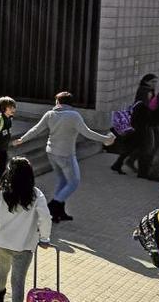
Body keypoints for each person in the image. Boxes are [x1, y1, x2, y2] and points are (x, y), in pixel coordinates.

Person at [14, 91, 116, 222]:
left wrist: (22, 139)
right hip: (66, 154)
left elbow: (36, 129)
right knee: (73, 182)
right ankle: (53, 206)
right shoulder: (73, 116)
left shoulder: (50, 114)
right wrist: (105, 139)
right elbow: (87, 132)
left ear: (58, 102)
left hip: (51, 152)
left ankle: (58, 213)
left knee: (62, 181)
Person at [0, 157, 52, 302]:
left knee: (2, 269)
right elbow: (45, 217)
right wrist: (45, 239)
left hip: (2, 242)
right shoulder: (36, 194)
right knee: (18, 282)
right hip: (24, 246)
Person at [112, 74, 157, 177]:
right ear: (147, 82)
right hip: (140, 123)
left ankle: (120, 163)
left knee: (135, 145)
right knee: (142, 145)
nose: (155, 84)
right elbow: (146, 107)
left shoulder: (146, 90)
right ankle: (122, 164)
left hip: (139, 122)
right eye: (153, 82)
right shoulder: (145, 91)